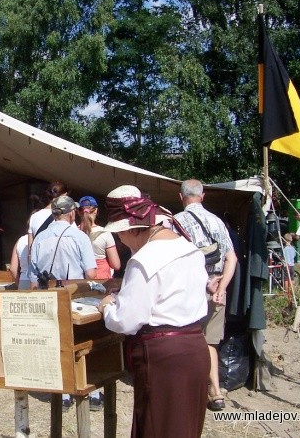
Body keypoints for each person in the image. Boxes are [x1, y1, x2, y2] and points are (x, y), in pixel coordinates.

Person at [99, 185, 210, 437]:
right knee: (185, 428)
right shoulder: (188, 248)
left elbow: (126, 320)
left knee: (157, 427)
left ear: (130, 229)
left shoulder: (144, 259)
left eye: (120, 235)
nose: (121, 241)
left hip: (164, 357)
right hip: (194, 348)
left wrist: (108, 307)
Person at [29, 195, 100, 410]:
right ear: (71, 213)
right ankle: (90, 392)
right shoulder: (79, 237)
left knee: (56, 344)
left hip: (48, 296)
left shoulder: (40, 238)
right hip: (73, 296)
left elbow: (33, 277)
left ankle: (62, 393)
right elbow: (91, 272)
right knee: (82, 342)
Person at [174, 179, 237, 412]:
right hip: (217, 287)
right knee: (210, 342)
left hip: (188, 290)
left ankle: (188, 389)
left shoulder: (176, 222)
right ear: (203, 196)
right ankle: (216, 393)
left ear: (181, 198)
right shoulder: (217, 221)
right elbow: (232, 258)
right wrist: (221, 288)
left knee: (185, 339)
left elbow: (174, 262)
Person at [77, 195, 120, 279]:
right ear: (96, 210)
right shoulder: (105, 233)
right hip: (101, 281)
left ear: (78, 212)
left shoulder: (73, 232)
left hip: (79, 281)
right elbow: (116, 265)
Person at [27, 181, 69, 253]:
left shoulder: (34, 216)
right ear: (64, 195)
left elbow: (30, 250)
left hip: (40, 262)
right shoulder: (65, 214)